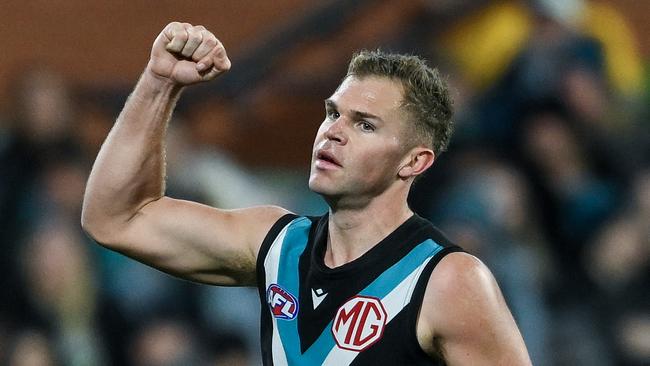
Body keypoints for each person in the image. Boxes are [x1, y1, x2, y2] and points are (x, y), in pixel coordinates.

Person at [81, 22, 531, 365]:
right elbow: (115, 217)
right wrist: (160, 84)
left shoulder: (449, 281)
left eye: (365, 124)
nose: (333, 132)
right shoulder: (277, 246)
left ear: (414, 162)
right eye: (333, 113)